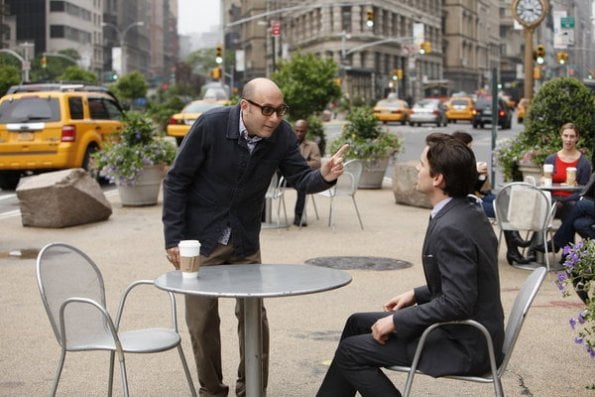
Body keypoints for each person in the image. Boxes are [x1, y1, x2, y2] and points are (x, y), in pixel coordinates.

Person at [162, 77, 349, 397]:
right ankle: (212, 390)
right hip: (200, 240)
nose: (275, 118)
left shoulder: (282, 134)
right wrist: (174, 239)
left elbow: (301, 178)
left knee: (253, 318)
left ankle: (252, 389)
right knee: (201, 321)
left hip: (245, 239)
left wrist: (325, 176)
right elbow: (177, 180)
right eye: (268, 110)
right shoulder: (210, 125)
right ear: (245, 107)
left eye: (280, 110)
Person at [316, 132, 505, 397]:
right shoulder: (466, 210)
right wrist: (416, 294)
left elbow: (458, 302)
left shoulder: (452, 228)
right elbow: (465, 282)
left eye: (422, 165)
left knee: (351, 353)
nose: (417, 169)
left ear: (438, 179)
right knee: (356, 323)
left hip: (463, 344)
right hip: (469, 333)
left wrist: (397, 321)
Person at [451, 131, 530, 265]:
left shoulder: (465, 159)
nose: (471, 149)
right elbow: (463, 187)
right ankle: (513, 247)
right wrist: (475, 172)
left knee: (504, 200)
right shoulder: (454, 162)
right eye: (469, 146)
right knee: (502, 208)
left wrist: (482, 176)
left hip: (476, 196)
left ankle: (513, 247)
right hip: (468, 201)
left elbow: (477, 186)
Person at [543, 122, 591, 221]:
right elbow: (546, 186)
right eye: (566, 136)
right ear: (561, 136)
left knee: (569, 207)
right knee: (537, 204)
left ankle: (559, 237)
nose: (568, 140)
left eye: (572, 136)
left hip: (571, 200)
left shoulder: (584, 163)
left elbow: (584, 191)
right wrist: (543, 179)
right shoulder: (551, 159)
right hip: (552, 199)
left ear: (577, 138)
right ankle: (519, 233)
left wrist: (563, 200)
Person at [292, 119, 321, 226]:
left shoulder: (312, 146)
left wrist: (300, 164)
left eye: (302, 131)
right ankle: (262, 217)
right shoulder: (288, 144)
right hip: (286, 177)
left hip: (300, 178)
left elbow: (317, 163)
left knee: (302, 185)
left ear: (306, 131)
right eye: (297, 130)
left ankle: (298, 217)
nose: (299, 133)